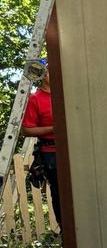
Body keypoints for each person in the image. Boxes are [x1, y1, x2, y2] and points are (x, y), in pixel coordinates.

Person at [22, 61, 61, 229]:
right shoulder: (35, 99)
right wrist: (54, 128)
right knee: (59, 192)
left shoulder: (63, 95)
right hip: (50, 152)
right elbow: (27, 130)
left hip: (72, 150)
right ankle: (64, 229)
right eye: (51, 72)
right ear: (43, 76)